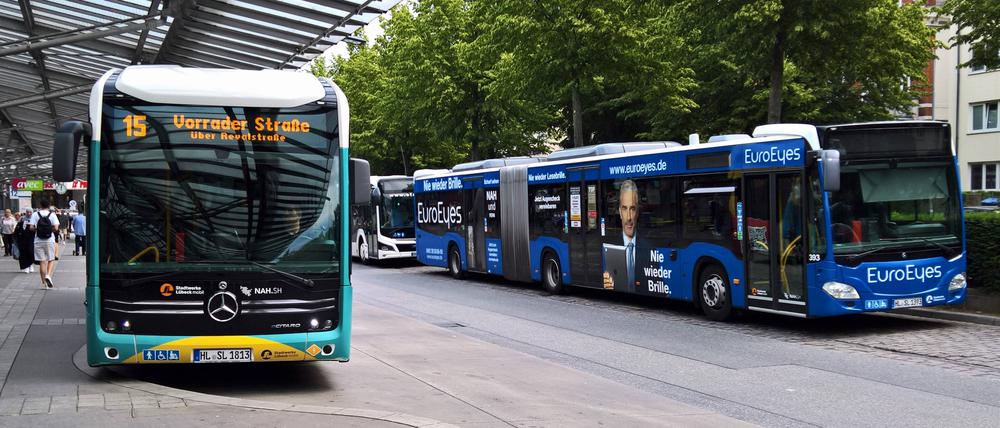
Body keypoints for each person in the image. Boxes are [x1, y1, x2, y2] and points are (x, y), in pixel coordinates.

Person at [603, 180, 640, 292]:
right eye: (624, 209)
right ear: (619, 211)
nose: (628, 217)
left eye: (632, 209)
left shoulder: (651, 249)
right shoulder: (608, 247)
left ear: (637, 212)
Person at [29, 200, 59, 289]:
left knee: (42, 261)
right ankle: (48, 276)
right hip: (50, 240)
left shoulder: (35, 214)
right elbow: (56, 228)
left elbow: (30, 227)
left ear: (40, 205)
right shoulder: (52, 215)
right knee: (51, 259)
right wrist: (49, 231)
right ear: (49, 206)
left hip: (38, 240)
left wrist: (38, 231)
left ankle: (44, 284)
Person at [15, 209, 35, 273]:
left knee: (31, 251)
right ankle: (26, 266)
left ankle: (31, 264)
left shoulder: (34, 218)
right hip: (22, 238)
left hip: (32, 238)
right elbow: (17, 228)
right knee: (23, 252)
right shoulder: (22, 219)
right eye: (27, 212)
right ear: (25, 212)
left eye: (30, 212)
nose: (29, 213)